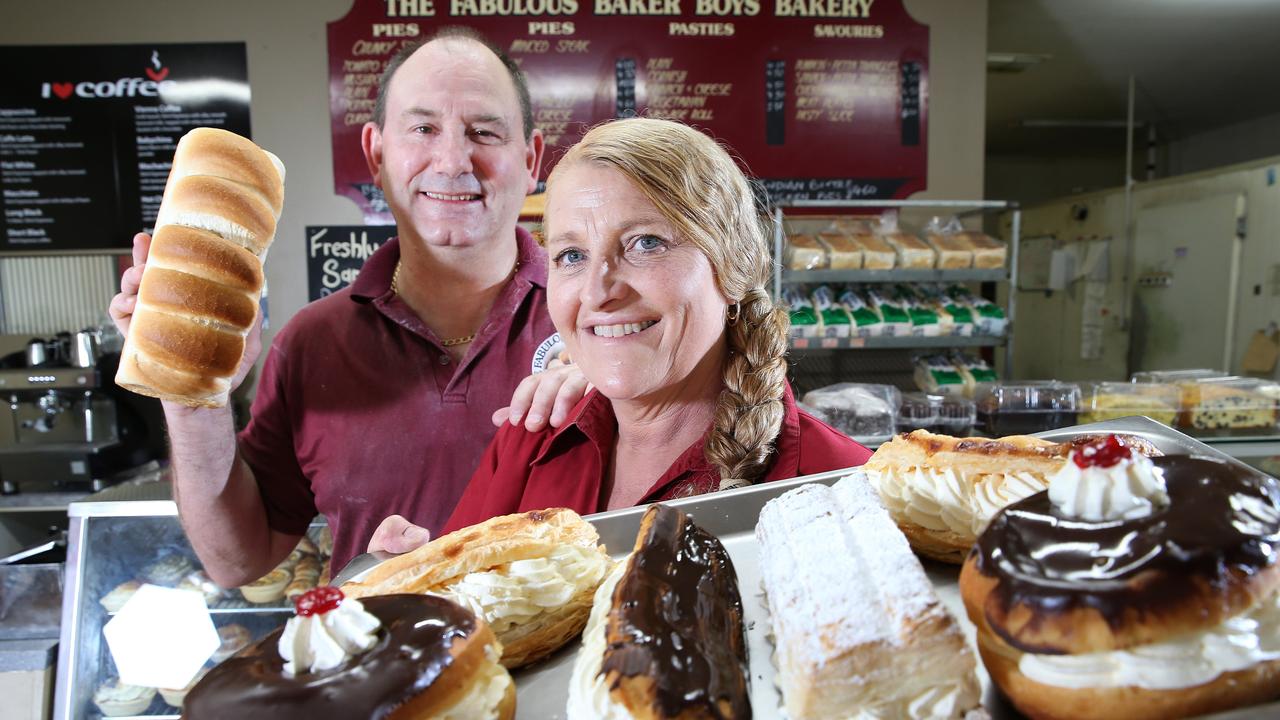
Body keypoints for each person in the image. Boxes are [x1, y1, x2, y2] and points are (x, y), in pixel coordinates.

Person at [108, 28, 588, 585]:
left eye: (484, 131)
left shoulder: (600, 321)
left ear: (531, 159)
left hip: (569, 666)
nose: (454, 159)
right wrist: (195, 395)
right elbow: (237, 560)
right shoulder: (310, 344)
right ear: (376, 154)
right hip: (379, 665)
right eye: (423, 128)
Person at [439, 117, 872, 531]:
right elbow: (452, 591)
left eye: (646, 243)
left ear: (733, 267)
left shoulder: (845, 487)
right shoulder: (530, 438)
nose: (596, 292)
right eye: (571, 255)